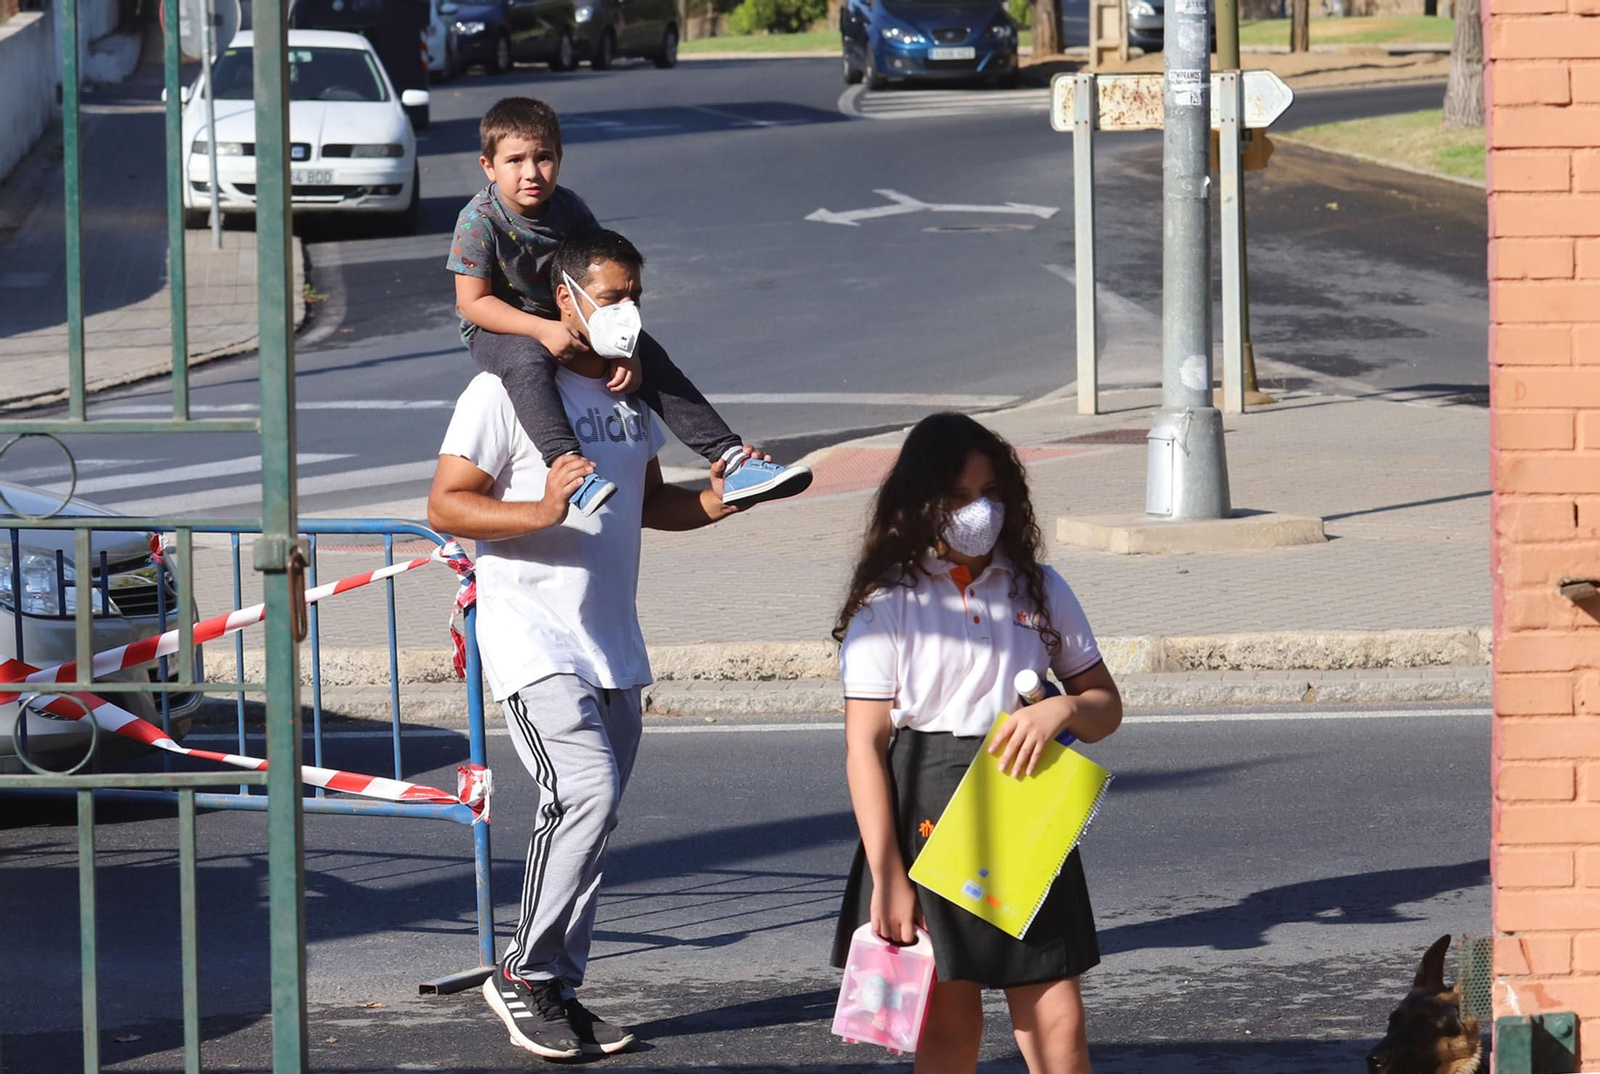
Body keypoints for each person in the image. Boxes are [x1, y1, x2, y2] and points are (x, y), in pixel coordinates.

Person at [428, 230, 756, 1061]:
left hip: (612, 639)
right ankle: (522, 974)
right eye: (610, 295)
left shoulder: (627, 396)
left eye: (634, 293)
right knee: (582, 796)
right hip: (532, 637)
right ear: (563, 298)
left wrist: (718, 503)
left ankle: (558, 990)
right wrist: (539, 511)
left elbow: (648, 506)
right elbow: (447, 507)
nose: (626, 311)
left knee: (593, 819)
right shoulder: (501, 394)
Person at [828, 412, 1124, 1074]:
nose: (979, 511)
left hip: (1022, 801)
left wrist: (1066, 709)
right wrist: (888, 877)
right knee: (949, 1019)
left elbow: (1107, 709)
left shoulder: (1040, 587)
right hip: (927, 801)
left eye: (990, 493)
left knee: (1056, 1010)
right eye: (960, 496)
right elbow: (865, 748)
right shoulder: (889, 602)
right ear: (922, 501)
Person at [446, 95, 811, 515]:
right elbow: (473, 303)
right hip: (500, 327)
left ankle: (732, 460)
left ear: (560, 159)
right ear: (488, 166)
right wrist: (541, 329)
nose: (531, 173)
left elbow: (605, 277)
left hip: (568, 315)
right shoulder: (478, 219)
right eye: (514, 161)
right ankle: (570, 468)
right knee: (527, 360)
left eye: (543, 158)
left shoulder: (570, 208)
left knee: (652, 353)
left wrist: (629, 347)